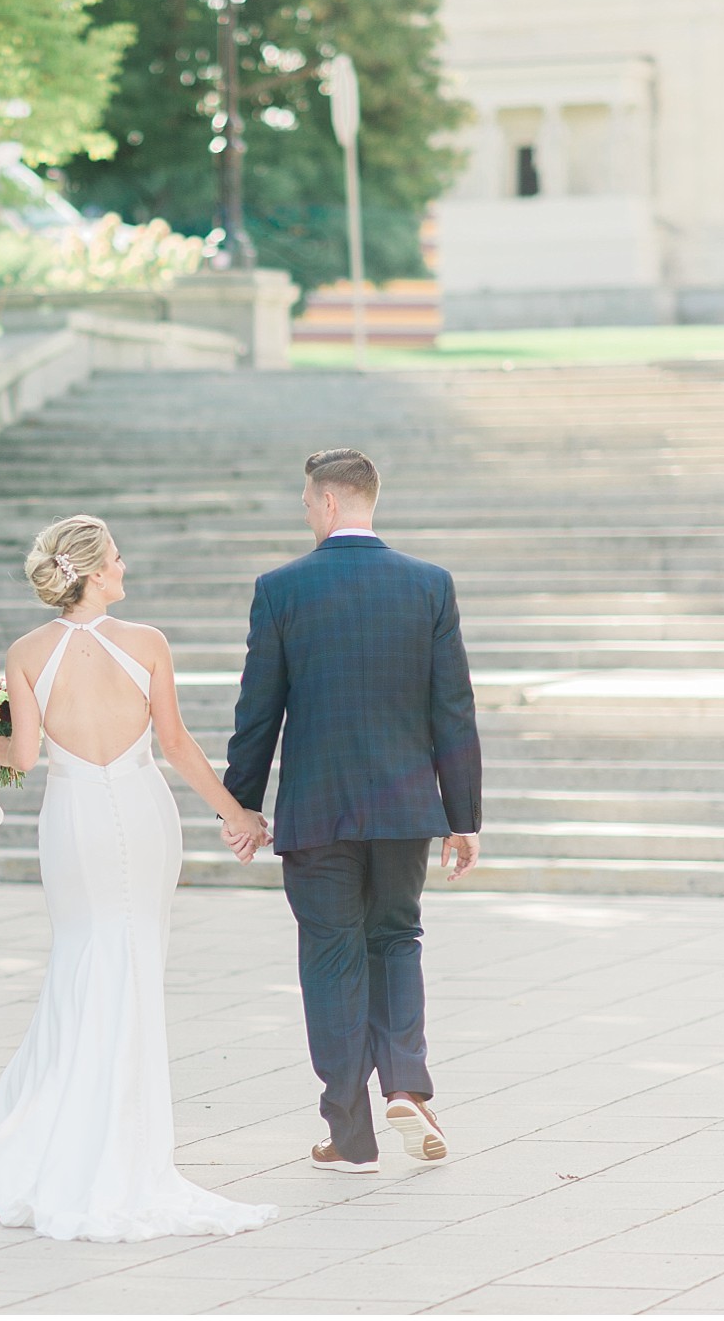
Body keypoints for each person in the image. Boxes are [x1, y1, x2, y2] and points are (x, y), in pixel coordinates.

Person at [0, 513, 280, 1243]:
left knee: (78, 959)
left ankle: (47, 1135)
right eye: (118, 560)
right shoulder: (147, 643)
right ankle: (119, 1142)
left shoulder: (27, 652)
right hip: (141, 809)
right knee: (132, 964)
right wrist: (239, 814)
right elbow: (177, 742)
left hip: (71, 820)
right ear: (94, 572)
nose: (125, 569)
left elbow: (21, 759)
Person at [222, 449, 482, 1175]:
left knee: (331, 954)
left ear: (330, 503)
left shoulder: (281, 588)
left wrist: (242, 804)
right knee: (397, 938)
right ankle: (406, 1084)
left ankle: (350, 1132)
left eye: (307, 502)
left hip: (317, 806)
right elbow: (453, 710)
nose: (306, 512)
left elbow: (257, 712)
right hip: (405, 808)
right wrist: (463, 816)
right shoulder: (429, 585)